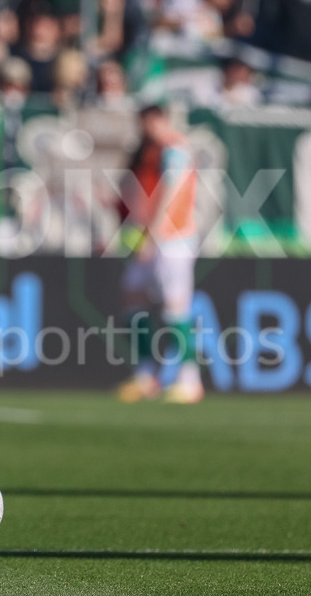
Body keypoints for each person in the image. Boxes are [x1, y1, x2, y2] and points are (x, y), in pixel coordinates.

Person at [116, 105, 203, 405]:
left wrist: (152, 234)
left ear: (164, 120)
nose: (148, 127)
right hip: (148, 236)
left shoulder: (174, 148)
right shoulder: (147, 151)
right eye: (144, 121)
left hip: (173, 238)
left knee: (175, 308)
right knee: (133, 300)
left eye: (153, 120)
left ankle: (189, 381)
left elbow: (171, 190)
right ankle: (145, 376)